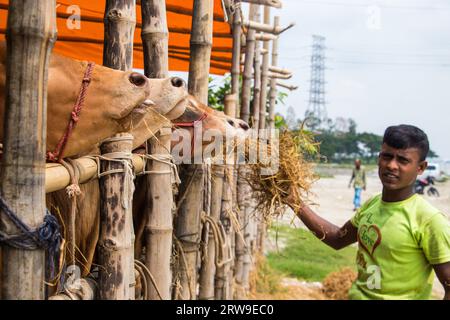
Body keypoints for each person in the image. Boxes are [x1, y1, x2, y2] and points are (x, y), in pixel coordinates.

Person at [287, 124, 450, 300]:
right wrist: (293, 201)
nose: (391, 165)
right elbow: (337, 238)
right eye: (387, 156)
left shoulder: (430, 220)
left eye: (403, 160)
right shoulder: (372, 203)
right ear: (379, 158)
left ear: (421, 168)